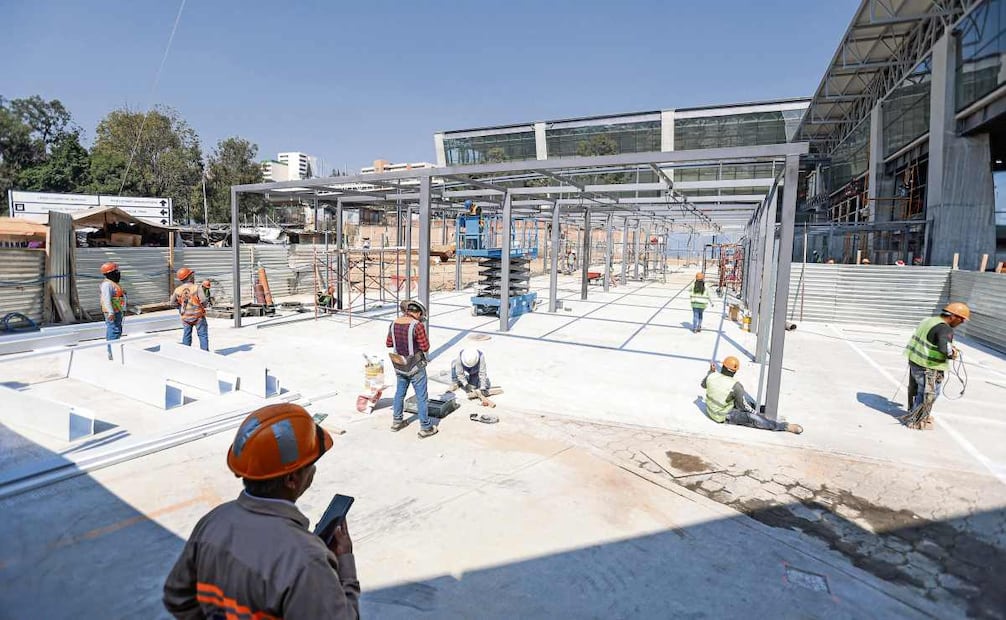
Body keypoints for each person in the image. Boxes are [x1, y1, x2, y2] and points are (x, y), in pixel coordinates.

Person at [163, 403, 359, 619]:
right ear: (292, 479)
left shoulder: (213, 521)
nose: (313, 470)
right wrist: (345, 566)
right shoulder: (306, 560)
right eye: (311, 464)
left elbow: (177, 597)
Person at [902, 302, 970, 430]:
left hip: (915, 361)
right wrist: (953, 353)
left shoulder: (929, 320)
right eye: (961, 320)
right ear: (953, 316)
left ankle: (914, 413)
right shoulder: (945, 328)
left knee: (917, 390)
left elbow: (932, 339)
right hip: (928, 366)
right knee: (929, 394)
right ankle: (916, 420)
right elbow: (945, 349)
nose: (961, 323)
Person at [701, 356, 803, 434]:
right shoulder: (735, 385)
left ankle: (763, 409)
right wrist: (757, 414)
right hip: (722, 416)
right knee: (752, 417)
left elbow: (703, 385)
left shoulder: (711, 376)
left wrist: (711, 372)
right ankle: (783, 426)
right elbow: (744, 407)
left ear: (723, 366)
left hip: (711, 410)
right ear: (735, 371)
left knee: (740, 398)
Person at [386, 299, 437, 438]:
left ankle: (397, 421)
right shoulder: (417, 326)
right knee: (421, 397)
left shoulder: (394, 323)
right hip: (415, 366)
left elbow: (389, 343)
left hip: (400, 365)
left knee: (399, 393)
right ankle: (425, 427)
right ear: (419, 312)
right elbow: (425, 347)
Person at [450, 348, 501, 423]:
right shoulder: (460, 358)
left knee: (473, 388)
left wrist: (483, 387)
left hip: (474, 370)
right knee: (454, 364)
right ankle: (456, 382)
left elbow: (482, 373)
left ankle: (471, 378)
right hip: (462, 366)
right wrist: (465, 384)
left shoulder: (480, 357)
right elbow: (460, 373)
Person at [171, 267, 210, 351]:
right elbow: (203, 300)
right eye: (192, 275)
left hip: (185, 317)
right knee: (202, 335)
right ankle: (205, 354)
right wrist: (204, 305)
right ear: (189, 277)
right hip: (198, 316)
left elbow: (172, 303)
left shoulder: (177, 290)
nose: (193, 276)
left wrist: (180, 308)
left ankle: (186, 353)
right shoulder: (197, 287)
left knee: (186, 334)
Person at [99, 262, 126, 361]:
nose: (118, 273)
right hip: (112, 312)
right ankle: (112, 352)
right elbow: (107, 299)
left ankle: (113, 350)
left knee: (115, 330)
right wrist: (111, 312)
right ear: (110, 273)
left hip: (117, 311)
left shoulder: (112, 283)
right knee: (114, 330)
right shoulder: (107, 284)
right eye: (116, 271)